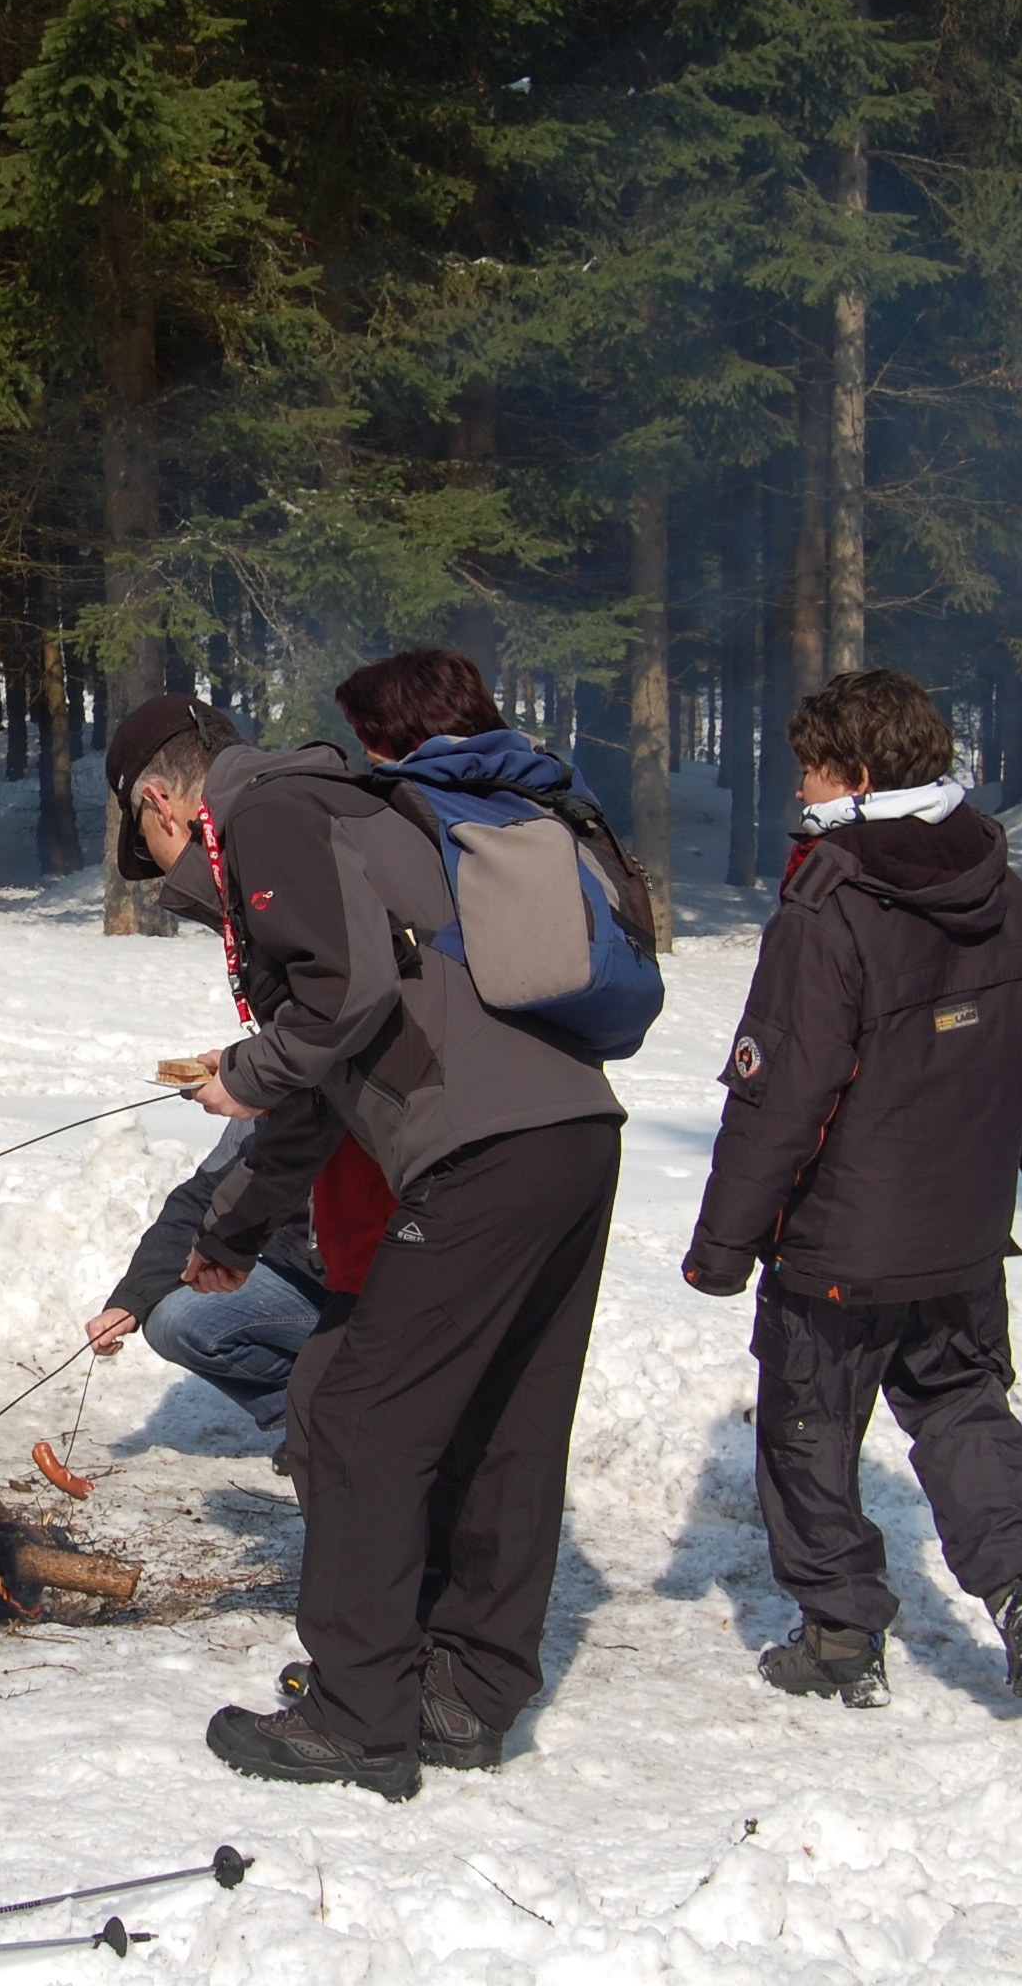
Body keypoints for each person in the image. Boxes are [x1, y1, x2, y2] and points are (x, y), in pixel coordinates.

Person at [117, 653, 627, 1802]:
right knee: (503, 1420)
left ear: (161, 801)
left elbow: (339, 1001)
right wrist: (233, 1231)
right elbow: (326, 1082)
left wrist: (241, 1070)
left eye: (151, 852)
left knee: (351, 1412)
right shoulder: (337, 808)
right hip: (569, 1133)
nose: (173, 885)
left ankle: (356, 1716)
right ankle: (465, 1689)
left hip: (481, 1150)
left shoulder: (267, 812)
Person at [682, 668, 1022, 1710]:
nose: (798, 787)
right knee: (962, 1405)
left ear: (856, 775)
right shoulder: (1006, 890)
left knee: (807, 1427)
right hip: (961, 1229)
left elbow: (780, 1096)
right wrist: (974, 1163)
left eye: (811, 767)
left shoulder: (830, 905)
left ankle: (839, 1633)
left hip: (839, 1241)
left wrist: (722, 1245)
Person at [81, 1120, 391, 1454]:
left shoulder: (381, 1110)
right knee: (173, 1322)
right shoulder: (269, 1103)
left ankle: (387, 1417)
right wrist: (131, 1300)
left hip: (387, 1294)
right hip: (302, 1276)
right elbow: (204, 1197)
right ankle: (319, 1423)